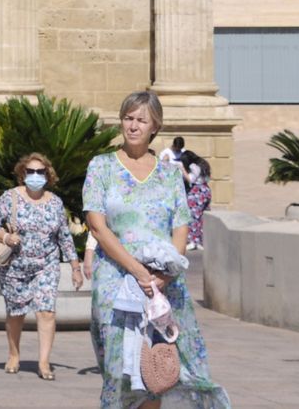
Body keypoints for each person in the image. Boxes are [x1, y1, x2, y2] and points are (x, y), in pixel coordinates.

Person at [85, 91, 230, 408]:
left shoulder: (168, 174)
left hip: (163, 288)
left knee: (157, 372)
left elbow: (181, 225)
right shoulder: (101, 167)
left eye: (141, 120)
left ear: (155, 126)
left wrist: (164, 274)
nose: (133, 126)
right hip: (116, 284)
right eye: (128, 118)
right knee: (118, 371)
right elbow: (97, 225)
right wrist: (138, 271)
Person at [0, 153, 81, 379]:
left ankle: (44, 362)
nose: (35, 176)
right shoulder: (10, 198)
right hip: (15, 267)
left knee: (46, 311)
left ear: (48, 175)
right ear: (22, 174)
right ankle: (14, 354)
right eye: (31, 171)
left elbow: (65, 237)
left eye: (40, 172)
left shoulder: (56, 202)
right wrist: (6, 238)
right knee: (16, 313)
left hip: (46, 264)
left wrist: (75, 268)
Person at [183, 153, 213, 250]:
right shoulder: (203, 164)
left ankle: (193, 241)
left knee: (193, 217)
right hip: (205, 191)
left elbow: (191, 179)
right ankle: (200, 241)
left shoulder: (193, 166)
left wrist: (182, 169)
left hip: (197, 193)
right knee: (201, 217)